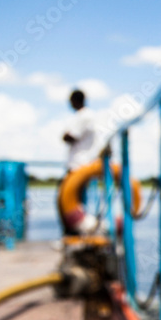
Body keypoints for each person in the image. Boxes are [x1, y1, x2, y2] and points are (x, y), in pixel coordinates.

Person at [58, 89, 96, 234]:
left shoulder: (84, 116)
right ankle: (77, 232)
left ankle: (73, 233)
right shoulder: (86, 115)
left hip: (78, 164)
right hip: (81, 164)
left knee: (65, 200)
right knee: (75, 200)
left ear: (75, 100)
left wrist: (65, 135)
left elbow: (70, 136)